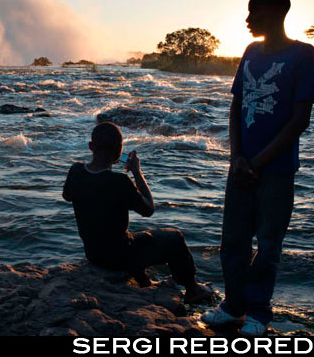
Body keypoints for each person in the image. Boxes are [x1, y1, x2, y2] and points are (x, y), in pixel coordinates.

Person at [201, 0, 314, 336]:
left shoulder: (304, 55)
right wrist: (237, 157)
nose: (247, 19)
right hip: (240, 168)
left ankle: (258, 313)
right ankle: (232, 306)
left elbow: (300, 120)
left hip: (277, 171)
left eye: (253, 12)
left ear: (274, 12)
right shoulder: (250, 52)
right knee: (233, 241)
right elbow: (236, 106)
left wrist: (257, 162)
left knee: (268, 244)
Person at [62, 121, 212, 303]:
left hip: (93, 253)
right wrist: (137, 173)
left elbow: (67, 196)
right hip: (120, 256)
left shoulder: (76, 170)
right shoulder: (120, 181)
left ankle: (143, 281)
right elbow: (148, 209)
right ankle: (193, 289)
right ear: (119, 152)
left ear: (91, 146)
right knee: (174, 238)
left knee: (131, 238)